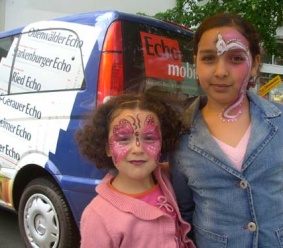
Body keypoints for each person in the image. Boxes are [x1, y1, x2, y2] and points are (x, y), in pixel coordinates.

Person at [169, 12, 283, 247]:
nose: (220, 71)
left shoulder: (280, 121)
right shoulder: (179, 134)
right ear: (196, 63)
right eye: (209, 59)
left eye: (236, 59)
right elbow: (184, 212)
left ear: (256, 64)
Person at [75, 93, 195, 248]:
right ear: (107, 147)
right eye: (124, 139)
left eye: (150, 138)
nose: (138, 149)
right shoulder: (98, 217)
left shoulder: (166, 178)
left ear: (162, 141)